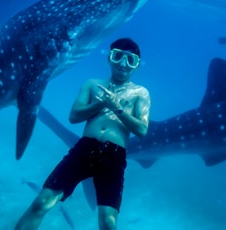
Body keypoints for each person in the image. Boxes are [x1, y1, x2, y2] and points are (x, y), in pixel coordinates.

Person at [14, 37, 151, 230]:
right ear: (109, 59)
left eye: (130, 60)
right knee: (41, 203)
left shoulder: (141, 93)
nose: (123, 63)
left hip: (114, 156)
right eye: (118, 56)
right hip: (84, 149)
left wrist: (117, 108)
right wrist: (100, 103)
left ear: (137, 66)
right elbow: (74, 116)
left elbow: (142, 130)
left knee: (108, 223)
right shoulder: (92, 84)